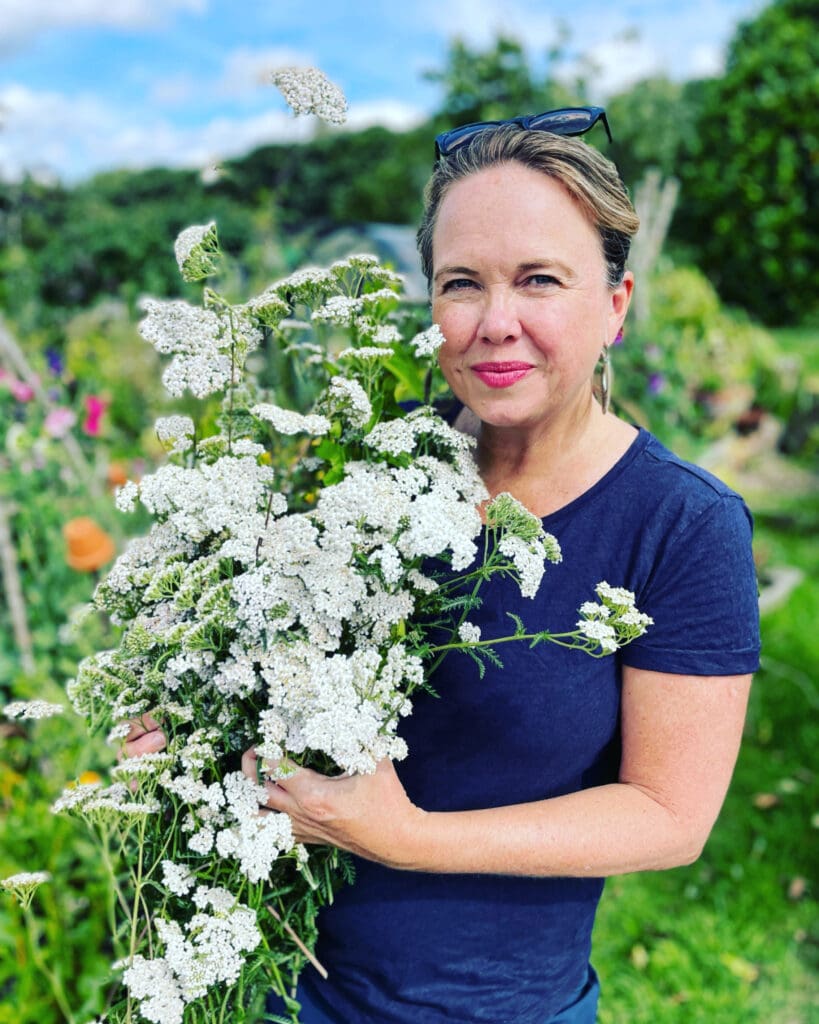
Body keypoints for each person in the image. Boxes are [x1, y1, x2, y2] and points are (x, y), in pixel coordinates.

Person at [127, 107, 760, 1023]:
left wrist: (404, 838)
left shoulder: (681, 524)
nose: (495, 322)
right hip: (274, 982)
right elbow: (298, 693)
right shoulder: (375, 459)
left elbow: (668, 816)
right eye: (461, 284)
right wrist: (194, 731)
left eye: (539, 279)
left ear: (615, 307)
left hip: (497, 1006)